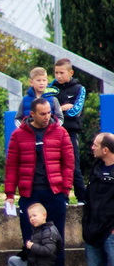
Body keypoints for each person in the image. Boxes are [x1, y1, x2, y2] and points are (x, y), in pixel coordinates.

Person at [4, 97, 74, 266]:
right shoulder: (19, 135)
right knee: (30, 238)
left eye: (49, 113)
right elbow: (12, 165)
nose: (47, 117)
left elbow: (68, 163)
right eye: (42, 114)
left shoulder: (61, 132)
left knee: (56, 238)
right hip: (30, 193)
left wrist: (65, 190)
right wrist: (10, 192)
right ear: (32, 114)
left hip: (54, 193)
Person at [71, 133, 114, 266]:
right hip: (93, 233)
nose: (92, 148)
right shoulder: (96, 169)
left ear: (106, 150)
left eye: (95, 145)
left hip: (111, 233)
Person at [52, 59, 87, 201]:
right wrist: (62, 108)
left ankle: (82, 199)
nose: (58, 76)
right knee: (57, 167)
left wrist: (57, 110)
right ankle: (62, 198)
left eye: (62, 72)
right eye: (56, 73)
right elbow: (47, 110)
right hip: (54, 132)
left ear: (70, 72)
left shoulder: (79, 89)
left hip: (70, 133)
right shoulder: (50, 88)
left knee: (73, 166)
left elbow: (75, 112)